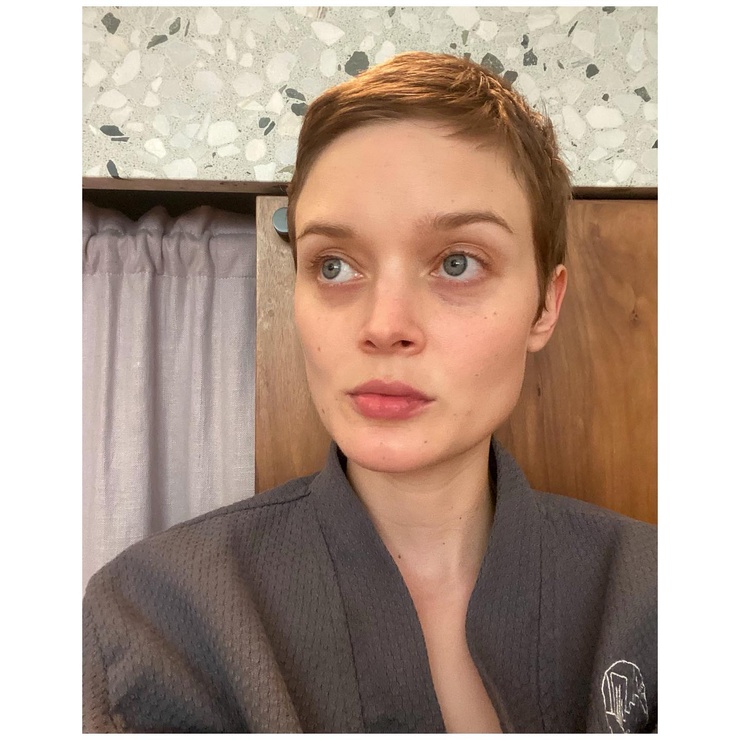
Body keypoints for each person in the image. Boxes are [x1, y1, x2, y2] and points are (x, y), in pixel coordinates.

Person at [82, 52, 657, 733]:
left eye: (457, 263)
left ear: (545, 307)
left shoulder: (661, 597)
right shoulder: (153, 616)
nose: (385, 326)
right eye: (333, 266)